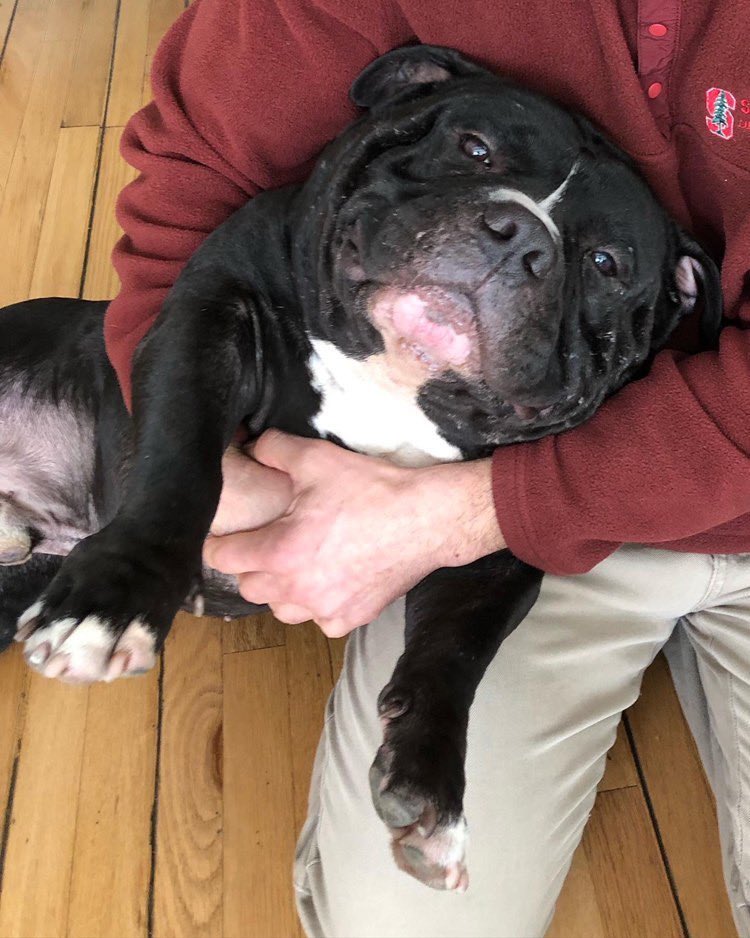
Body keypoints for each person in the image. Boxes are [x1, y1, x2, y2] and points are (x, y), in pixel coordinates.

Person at [105, 1, 750, 935]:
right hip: (522, 481)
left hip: (516, 493)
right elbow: (205, 165)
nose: (515, 245)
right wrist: (190, 446)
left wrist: (458, 515)